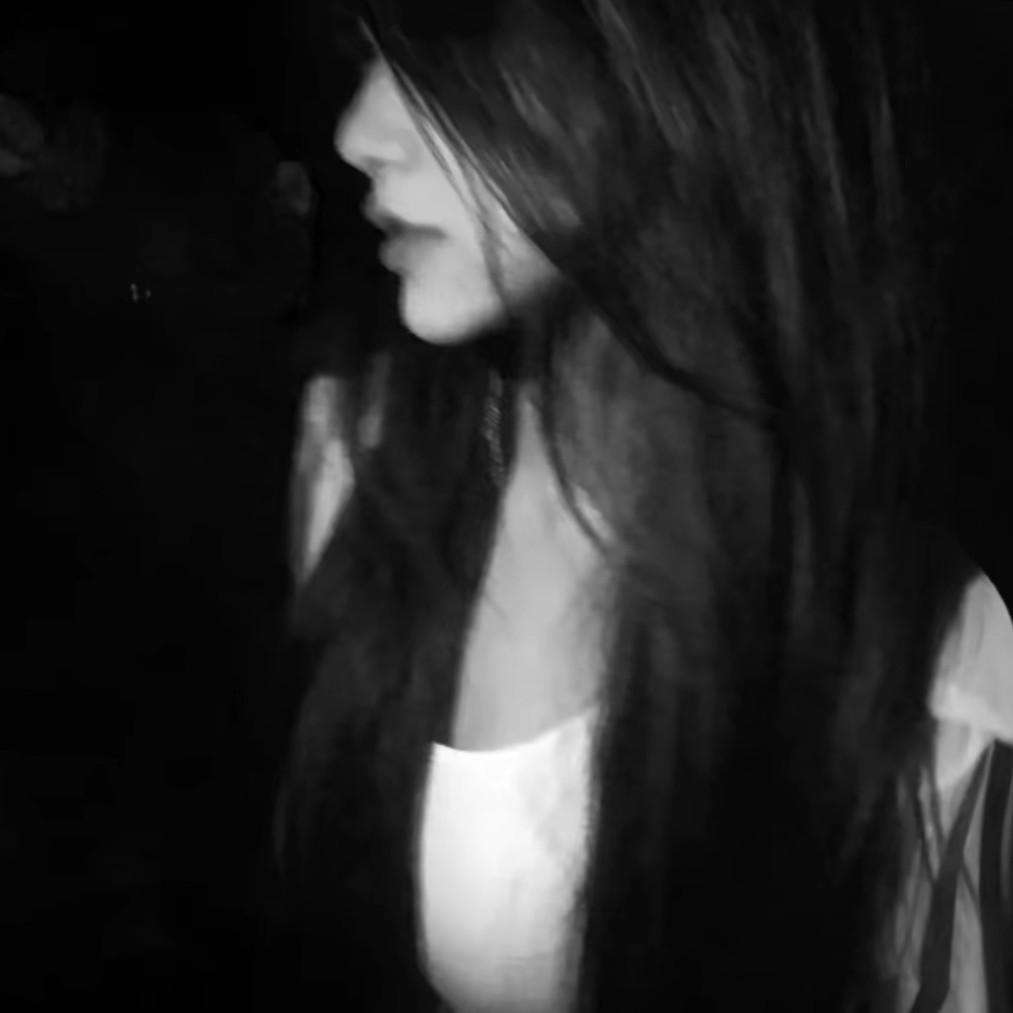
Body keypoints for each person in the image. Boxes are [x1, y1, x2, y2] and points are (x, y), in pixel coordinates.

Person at [276, 2, 1013, 1010]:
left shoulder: (926, 672)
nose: (358, 132)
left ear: (679, 54)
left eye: (447, 36)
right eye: (368, 49)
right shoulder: (365, 460)